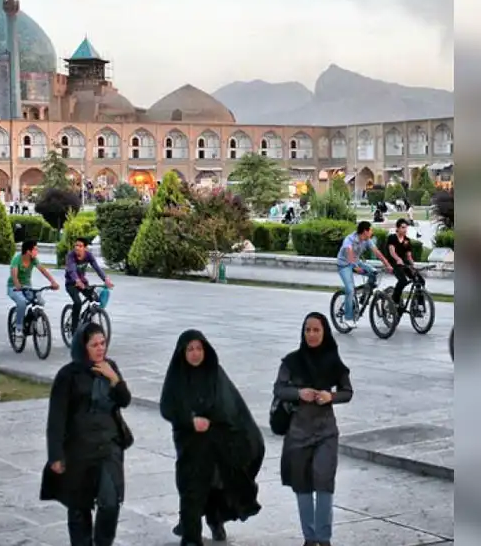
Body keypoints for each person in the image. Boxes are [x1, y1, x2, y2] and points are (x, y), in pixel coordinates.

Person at [160, 330, 264, 545]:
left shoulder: (215, 374)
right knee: (190, 491)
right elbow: (167, 408)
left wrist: (215, 421)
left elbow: (231, 407)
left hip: (217, 444)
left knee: (217, 486)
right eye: (190, 349)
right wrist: (190, 421)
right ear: (182, 352)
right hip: (190, 447)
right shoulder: (177, 377)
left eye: (199, 348)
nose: (195, 353)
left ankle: (215, 519)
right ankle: (191, 538)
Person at [41, 322, 131, 546]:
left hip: (108, 446)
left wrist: (115, 379)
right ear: (83, 347)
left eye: (103, 343)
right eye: (94, 345)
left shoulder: (110, 367)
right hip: (78, 449)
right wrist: (55, 455)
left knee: (110, 502)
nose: (100, 349)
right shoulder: (68, 375)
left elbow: (125, 400)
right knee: (79, 507)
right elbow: (57, 417)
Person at [274, 313, 353, 546]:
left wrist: (331, 396)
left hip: (326, 431)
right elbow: (278, 389)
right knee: (303, 486)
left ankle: (323, 537)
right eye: (307, 330)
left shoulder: (333, 360)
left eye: (316, 330)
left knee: (325, 482)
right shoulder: (291, 361)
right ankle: (309, 538)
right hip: (298, 432)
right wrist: (299, 393)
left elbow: (347, 392)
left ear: (324, 332)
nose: (311, 334)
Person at [335, 221, 394, 329]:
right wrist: (356, 267)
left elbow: (377, 252)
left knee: (374, 273)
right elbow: (349, 253)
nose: (372, 232)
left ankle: (364, 294)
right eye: (371, 230)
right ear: (365, 231)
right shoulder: (349, 239)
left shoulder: (367, 240)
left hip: (357, 262)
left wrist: (388, 264)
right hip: (344, 265)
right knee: (350, 289)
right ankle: (348, 318)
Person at [8, 240, 60, 335]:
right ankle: (18, 328)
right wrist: (17, 284)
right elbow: (14, 274)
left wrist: (53, 282)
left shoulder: (34, 260)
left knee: (40, 301)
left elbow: (43, 270)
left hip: (27, 287)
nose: (37, 251)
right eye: (35, 249)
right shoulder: (17, 259)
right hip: (14, 287)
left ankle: (32, 321)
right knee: (22, 302)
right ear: (28, 251)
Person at [64, 237, 114, 332]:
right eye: (76, 245)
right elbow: (72, 270)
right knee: (78, 303)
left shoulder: (88, 256)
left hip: (83, 283)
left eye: (80, 246)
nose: (77, 248)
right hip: (71, 284)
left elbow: (97, 268)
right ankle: (74, 329)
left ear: (85, 248)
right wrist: (77, 280)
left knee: (94, 299)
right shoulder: (71, 256)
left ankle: (87, 319)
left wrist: (105, 279)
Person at [386, 218, 417, 311]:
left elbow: (409, 256)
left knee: (419, 280)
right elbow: (392, 252)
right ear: (398, 228)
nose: (405, 230)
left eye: (406, 228)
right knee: (403, 281)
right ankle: (394, 301)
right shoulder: (392, 238)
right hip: (394, 263)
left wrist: (413, 265)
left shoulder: (407, 240)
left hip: (404, 263)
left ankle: (419, 305)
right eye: (403, 227)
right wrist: (398, 259)